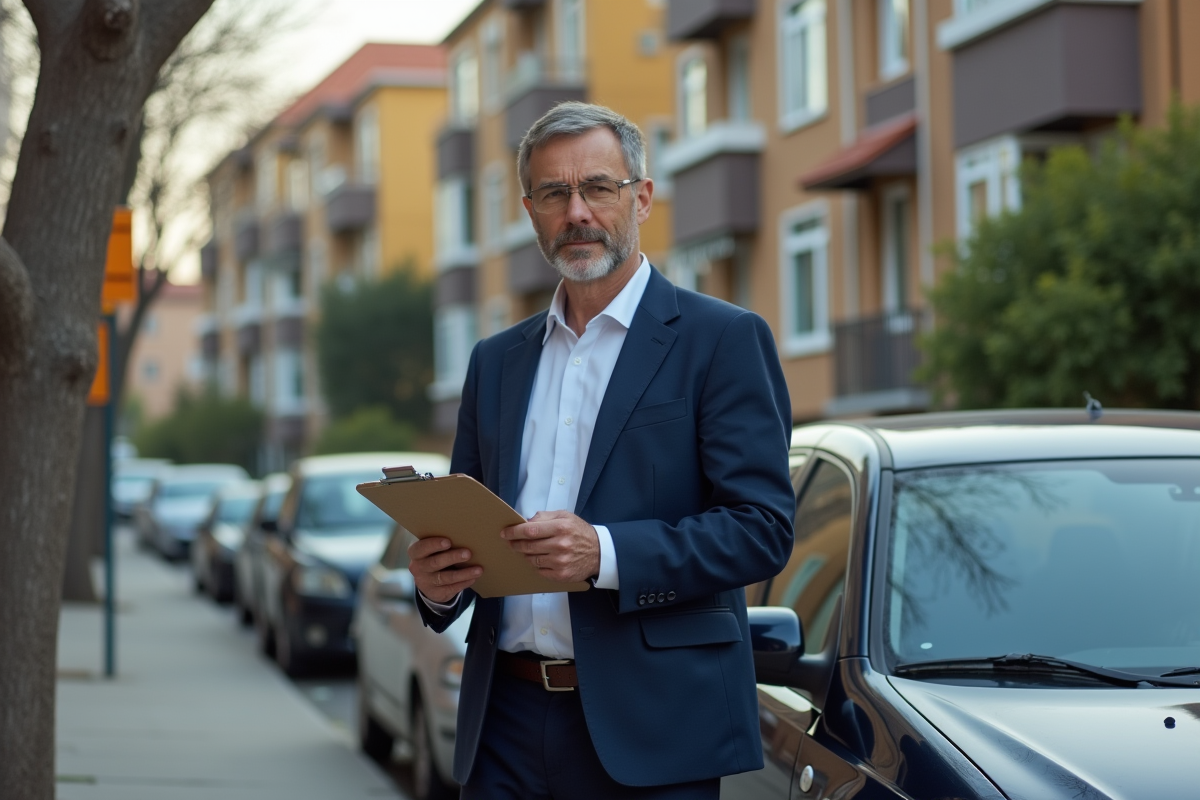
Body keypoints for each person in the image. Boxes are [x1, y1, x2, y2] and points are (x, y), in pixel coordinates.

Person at [409, 102, 795, 799]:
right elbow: (469, 522)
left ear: (641, 197)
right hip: (503, 726)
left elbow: (762, 530)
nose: (577, 211)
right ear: (530, 210)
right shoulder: (495, 361)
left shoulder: (722, 340)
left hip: (654, 730)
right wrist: (440, 585)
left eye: (598, 188)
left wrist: (606, 554)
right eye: (554, 193)